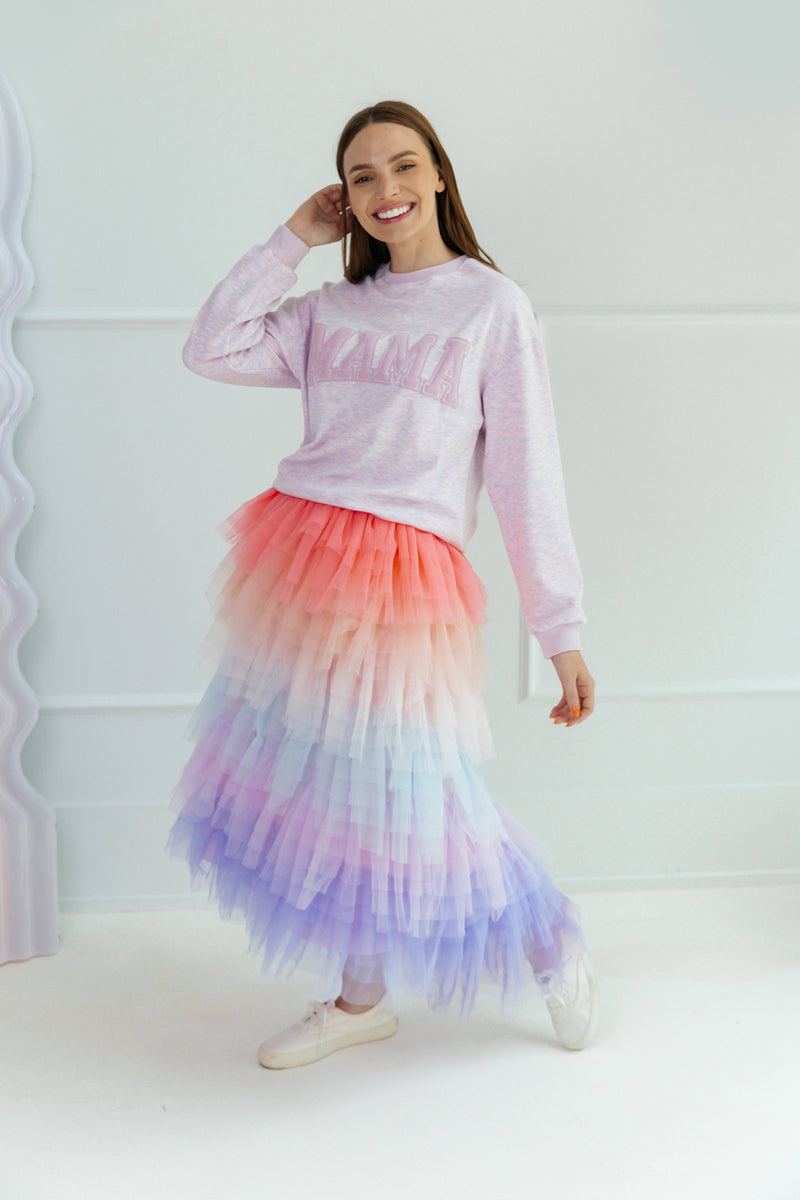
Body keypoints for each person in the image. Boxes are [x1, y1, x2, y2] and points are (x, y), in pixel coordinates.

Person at [166, 99, 598, 1071]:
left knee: (423, 785)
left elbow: (526, 475)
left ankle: (547, 941)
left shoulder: (491, 307)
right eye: (361, 176)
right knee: (336, 786)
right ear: (345, 198)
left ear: (438, 174)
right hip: (302, 558)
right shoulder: (331, 312)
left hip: (404, 576)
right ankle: (360, 999)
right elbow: (210, 347)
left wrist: (559, 628)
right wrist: (290, 240)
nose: (384, 189)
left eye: (402, 166)